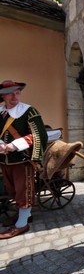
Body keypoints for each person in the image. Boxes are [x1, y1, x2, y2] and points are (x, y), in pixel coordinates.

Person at [0, 80, 48, 239]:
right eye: (10, 93)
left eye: (17, 92)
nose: (15, 96)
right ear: (3, 95)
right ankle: (24, 215)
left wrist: (14, 145)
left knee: (24, 192)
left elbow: (39, 134)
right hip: (5, 160)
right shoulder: (1, 112)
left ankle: (21, 225)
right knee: (12, 190)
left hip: (23, 160)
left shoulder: (29, 111)